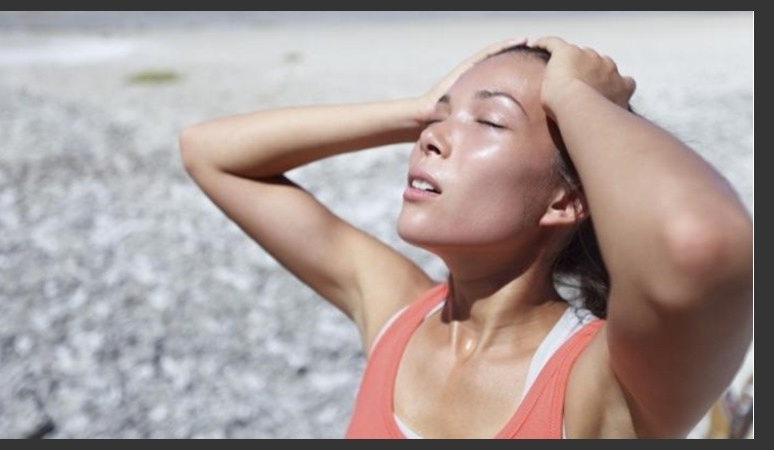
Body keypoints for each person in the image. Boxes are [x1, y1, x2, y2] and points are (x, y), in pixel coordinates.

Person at [179, 36, 753, 438]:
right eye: (438, 120)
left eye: (491, 122)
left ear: (567, 200)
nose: (430, 139)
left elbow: (700, 243)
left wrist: (580, 96)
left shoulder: (600, 384)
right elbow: (208, 152)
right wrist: (416, 108)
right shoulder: (399, 317)